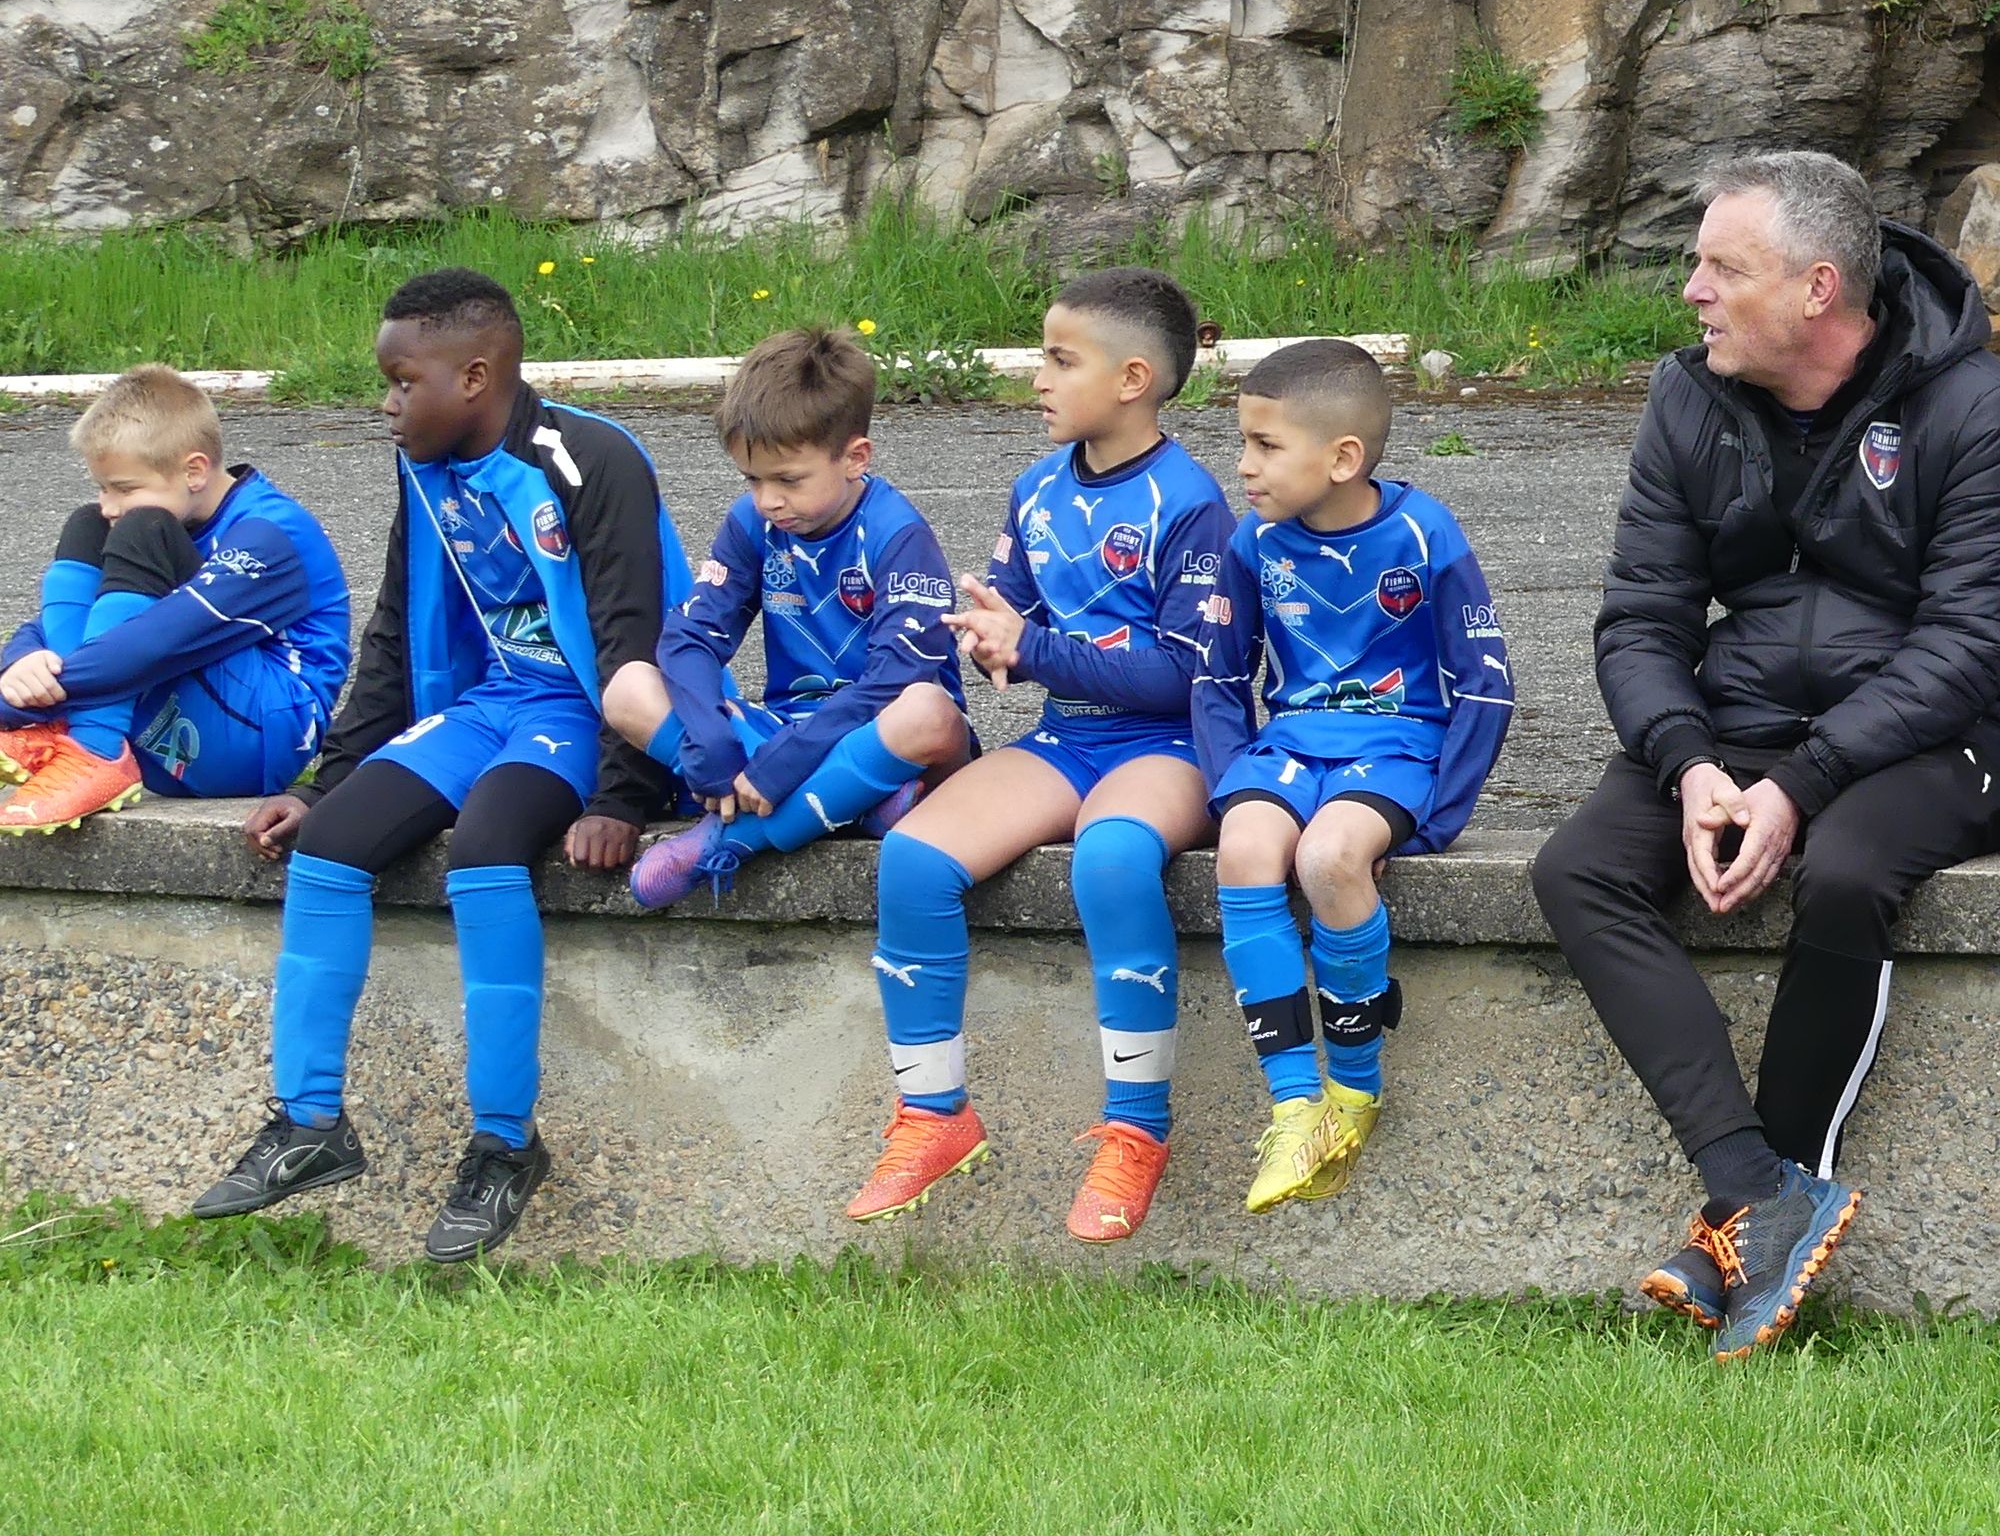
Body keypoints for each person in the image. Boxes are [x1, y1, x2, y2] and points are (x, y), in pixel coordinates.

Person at [1531, 149, 2000, 1362]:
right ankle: (1751, 1195)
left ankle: (1773, 1194)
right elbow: (1642, 615)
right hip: (1742, 722)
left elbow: (1973, 639)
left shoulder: (1976, 405)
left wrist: (1804, 784)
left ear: (1819, 289)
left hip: (1948, 731)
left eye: (1722, 267)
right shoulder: (1687, 396)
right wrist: (1688, 765)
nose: (1692, 292)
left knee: (1848, 870)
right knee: (1576, 870)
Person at [185, 268, 686, 1263]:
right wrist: (320, 783)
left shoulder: (587, 459)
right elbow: (395, 631)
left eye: (400, 382)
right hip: (494, 705)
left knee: (488, 849)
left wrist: (622, 796)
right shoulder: (424, 467)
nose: (385, 402)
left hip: (584, 716)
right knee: (329, 849)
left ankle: (504, 1144)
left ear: (475, 374)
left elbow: (642, 639)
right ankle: (310, 1124)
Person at [842, 268, 1246, 1245]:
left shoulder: (1188, 503)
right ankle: (934, 1115)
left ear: (1134, 379)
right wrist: (991, 638)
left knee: (1111, 859)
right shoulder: (1037, 488)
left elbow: (1185, 675)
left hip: (1168, 749)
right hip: (1066, 737)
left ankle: (1138, 1131)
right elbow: (1019, 622)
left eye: (1061, 360)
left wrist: (1033, 647)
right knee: (913, 861)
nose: (1038, 378)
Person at [1207, 337, 1513, 1214]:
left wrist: (1436, 821)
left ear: (1343, 459)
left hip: (1396, 748)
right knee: (1244, 846)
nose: (1244, 467)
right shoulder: (1252, 541)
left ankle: (1354, 1087)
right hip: (1292, 745)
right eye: (1245, 443)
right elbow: (1219, 677)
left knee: (1333, 857)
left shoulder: (1425, 531)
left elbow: (1487, 684)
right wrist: (1236, 782)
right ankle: (1294, 1102)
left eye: (1266, 447)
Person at [606, 325, 973, 906]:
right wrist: (706, 735)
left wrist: (793, 758)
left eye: (788, 480)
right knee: (629, 687)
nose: (767, 500)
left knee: (927, 711)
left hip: (881, 731)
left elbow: (896, 680)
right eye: (752, 479)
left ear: (855, 458)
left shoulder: (897, 534)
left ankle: (732, 839)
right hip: (783, 732)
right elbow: (690, 638)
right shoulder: (756, 521)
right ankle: (855, 804)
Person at [0, 364, 350, 830]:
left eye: (123, 488)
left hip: (258, 743)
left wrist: (16, 701)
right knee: (88, 525)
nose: (110, 504)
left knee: (142, 529)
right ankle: (79, 737)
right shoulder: (161, 520)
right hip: (184, 732)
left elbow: (150, 644)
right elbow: (69, 628)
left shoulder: (269, 534)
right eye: (103, 486)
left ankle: (93, 747)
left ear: (194, 470)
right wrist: (22, 663)